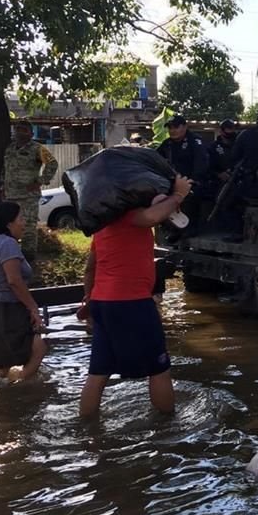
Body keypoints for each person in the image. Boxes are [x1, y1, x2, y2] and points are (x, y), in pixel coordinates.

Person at [79, 175, 193, 418]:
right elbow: (153, 216)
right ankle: (168, 427)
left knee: (98, 372)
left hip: (102, 303)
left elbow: (90, 268)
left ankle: (86, 427)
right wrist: (179, 194)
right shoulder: (130, 216)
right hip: (130, 301)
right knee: (159, 369)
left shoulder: (103, 226)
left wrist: (88, 301)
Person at [0, 201, 47, 380]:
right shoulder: (7, 243)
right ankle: (18, 388)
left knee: (3, 363)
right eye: (20, 218)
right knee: (38, 347)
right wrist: (33, 307)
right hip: (8, 307)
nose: (24, 223)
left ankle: (2, 395)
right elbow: (14, 280)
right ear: (9, 223)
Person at [2, 121, 59, 260]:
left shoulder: (37, 148)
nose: (19, 132)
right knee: (9, 228)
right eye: (17, 129)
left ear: (31, 133)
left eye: (23, 130)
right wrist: (2, 187)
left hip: (28, 197)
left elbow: (52, 163)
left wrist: (40, 181)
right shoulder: (9, 149)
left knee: (28, 229)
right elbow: (5, 170)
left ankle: (28, 260)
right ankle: (12, 258)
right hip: (10, 195)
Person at [157, 115, 210, 184]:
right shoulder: (167, 143)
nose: (172, 131)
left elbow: (201, 163)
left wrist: (194, 179)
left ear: (185, 127)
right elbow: (156, 157)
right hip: (171, 182)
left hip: (193, 184)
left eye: (176, 127)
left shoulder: (194, 141)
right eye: (170, 128)